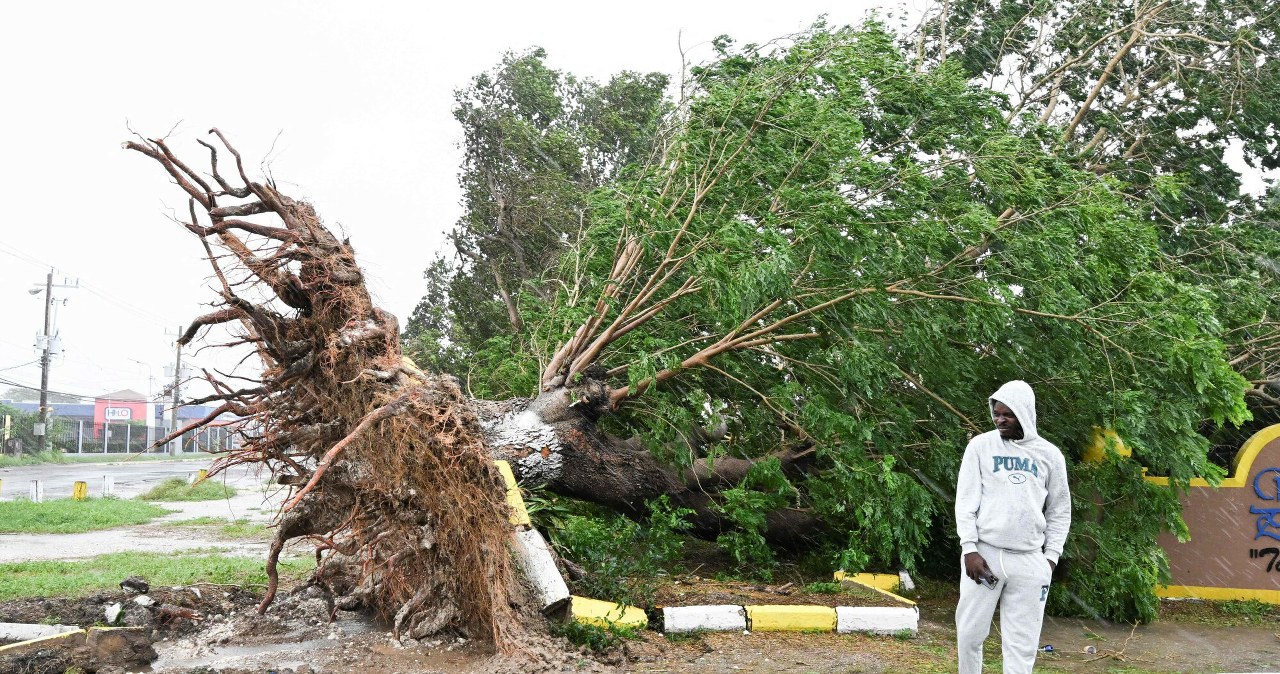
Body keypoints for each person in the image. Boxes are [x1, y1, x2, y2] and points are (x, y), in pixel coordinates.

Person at [955, 380, 1071, 674]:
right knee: (969, 634)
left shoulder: (1050, 455)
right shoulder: (980, 447)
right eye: (996, 413)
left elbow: (1060, 509)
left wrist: (1050, 559)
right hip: (985, 556)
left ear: (1025, 413)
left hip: (1030, 560)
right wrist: (969, 549)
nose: (999, 419)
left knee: (1022, 644)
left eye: (1007, 414)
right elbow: (965, 502)